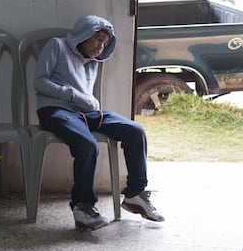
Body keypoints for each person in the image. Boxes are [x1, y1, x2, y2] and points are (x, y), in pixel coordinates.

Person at [34, 15, 164, 230]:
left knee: (135, 130)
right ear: (83, 35)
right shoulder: (56, 45)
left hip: (87, 113)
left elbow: (87, 98)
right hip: (56, 110)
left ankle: (135, 194)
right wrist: (74, 97)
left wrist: (88, 102)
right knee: (87, 145)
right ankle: (83, 207)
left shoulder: (93, 61)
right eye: (97, 40)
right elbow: (39, 82)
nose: (100, 47)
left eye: (105, 43)